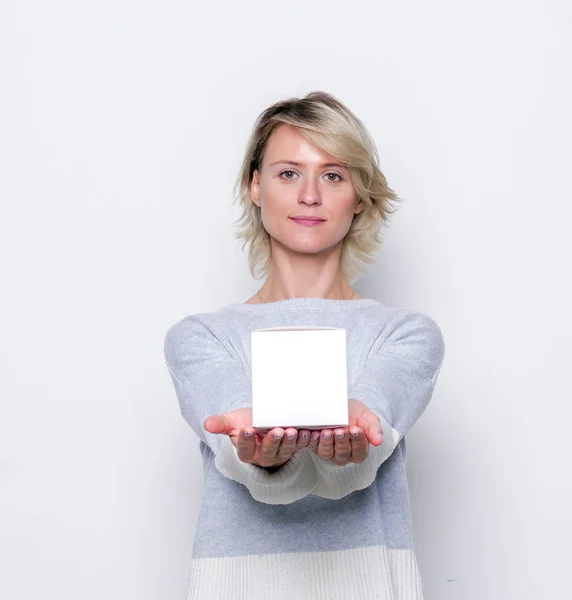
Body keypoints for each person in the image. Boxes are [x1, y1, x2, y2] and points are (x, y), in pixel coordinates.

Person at [163, 91, 446, 599]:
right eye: (288, 173)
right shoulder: (199, 338)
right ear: (255, 186)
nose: (310, 195)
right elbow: (239, 459)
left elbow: (361, 456)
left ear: (359, 196)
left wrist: (359, 432)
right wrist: (259, 456)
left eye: (333, 175)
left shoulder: (406, 334)